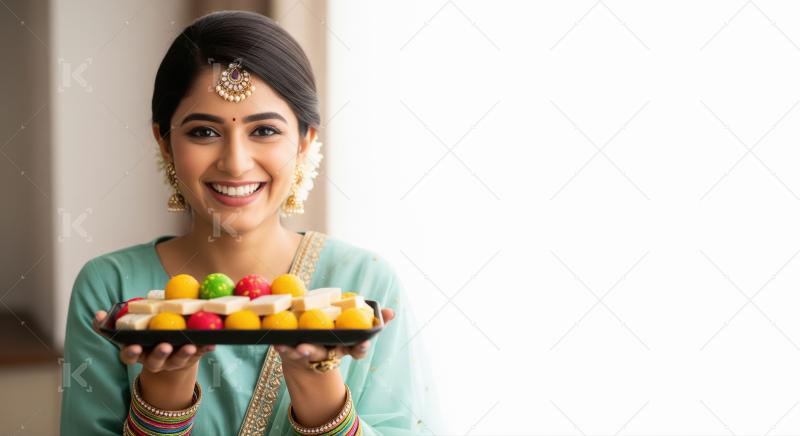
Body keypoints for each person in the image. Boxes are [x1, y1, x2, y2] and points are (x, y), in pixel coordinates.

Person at [60, 10, 434, 435]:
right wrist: (162, 396)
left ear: (306, 141)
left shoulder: (364, 285)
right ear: (164, 142)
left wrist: (321, 394)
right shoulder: (112, 291)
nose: (235, 164)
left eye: (265, 131)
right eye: (203, 132)